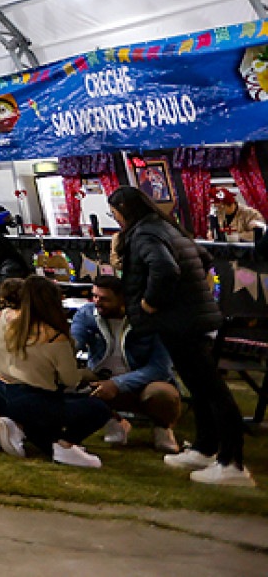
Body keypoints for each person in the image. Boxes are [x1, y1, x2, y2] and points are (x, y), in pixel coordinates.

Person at [111, 186, 252, 487]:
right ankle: (206, 447)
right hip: (190, 318)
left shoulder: (145, 234)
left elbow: (164, 269)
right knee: (200, 388)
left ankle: (232, 463)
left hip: (181, 321)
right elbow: (203, 258)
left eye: (116, 214)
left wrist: (151, 302)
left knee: (213, 390)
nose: (117, 220)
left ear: (126, 210)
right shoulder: (165, 227)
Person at [0, 275, 110, 467]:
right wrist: (89, 374)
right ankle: (64, 444)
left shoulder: (3, 317)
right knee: (98, 408)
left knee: (47, 412)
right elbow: (70, 381)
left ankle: (22, 428)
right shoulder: (54, 338)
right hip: (31, 399)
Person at [70, 274, 182, 455]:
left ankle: (163, 428)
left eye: (104, 299)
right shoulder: (87, 313)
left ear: (123, 299)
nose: (97, 302)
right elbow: (74, 344)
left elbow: (161, 368)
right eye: (95, 296)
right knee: (73, 377)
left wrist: (118, 384)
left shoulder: (150, 319)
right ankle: (113, 421)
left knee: (163, 393)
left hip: (143, 384)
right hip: (101, 380)